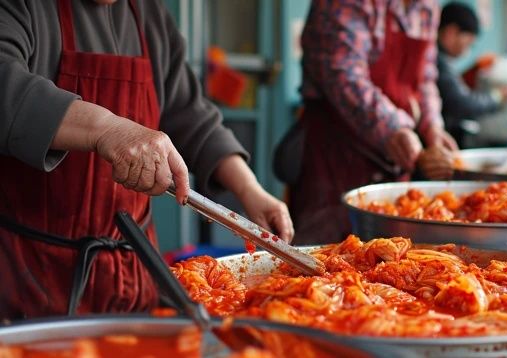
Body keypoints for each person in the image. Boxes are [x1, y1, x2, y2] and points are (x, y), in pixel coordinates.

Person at [0, 0, 293, 320]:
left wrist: (250, 189)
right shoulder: (22, 7)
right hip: (29, 278)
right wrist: (108, 129)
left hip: (134, 273)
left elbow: (190, 115)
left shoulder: (147, 14)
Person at [289, 0, 458, 245]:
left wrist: (432, 127)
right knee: (318, 261)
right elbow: (343, 75)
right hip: (336, 158)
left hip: (396, 163)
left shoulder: (426, 6)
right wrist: (395, 129)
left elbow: (425, 78)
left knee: (390, 260)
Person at [437, 2, 507, 146]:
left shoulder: (440, 61)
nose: (468, 50)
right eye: (468, 43)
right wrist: (497, 97)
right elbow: (462, 104)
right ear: (451, 33)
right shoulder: (437, 62)